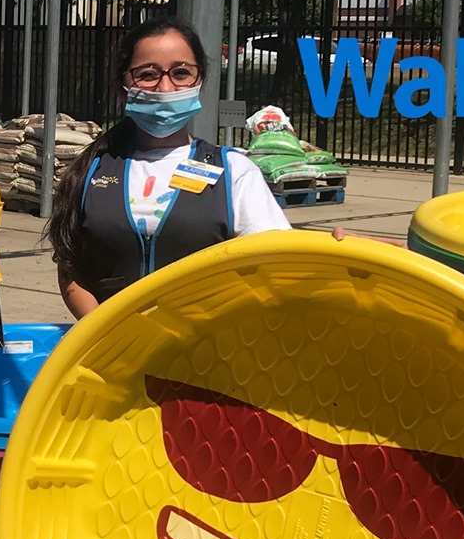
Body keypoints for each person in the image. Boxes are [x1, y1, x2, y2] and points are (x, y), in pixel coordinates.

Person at [49, 16, 291, 319]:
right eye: (147, 74)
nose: (165, 87)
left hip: (205, 344)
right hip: (114, 343)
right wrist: (106, 331)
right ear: (123, 85)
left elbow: (277, 264)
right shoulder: (92, 170)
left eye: (181, 73)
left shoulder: (235, 172)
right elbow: (70, 266)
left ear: (199, 81)